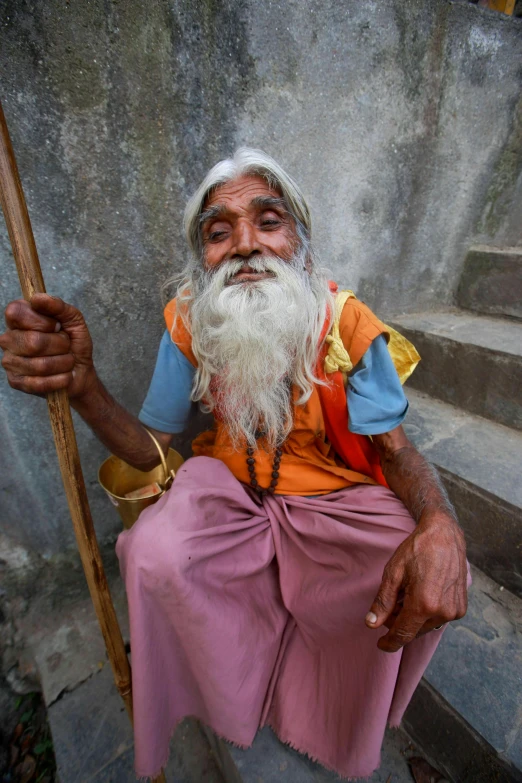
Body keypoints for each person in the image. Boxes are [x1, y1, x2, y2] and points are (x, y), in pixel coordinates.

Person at [0, 148, 468, 780]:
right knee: (153, 552)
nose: (245, 244)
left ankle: (326, 705)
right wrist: (85, 387)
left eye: (268, 222)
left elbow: (397, 448)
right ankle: (236, 687)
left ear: (300, 242)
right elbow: (154, 452)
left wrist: (439, 521)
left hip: (329, 491)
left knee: (401, 558)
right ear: (204, 256)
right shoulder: (192, 321)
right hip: (225, 480)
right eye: (219, 232)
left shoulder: (347, 324)